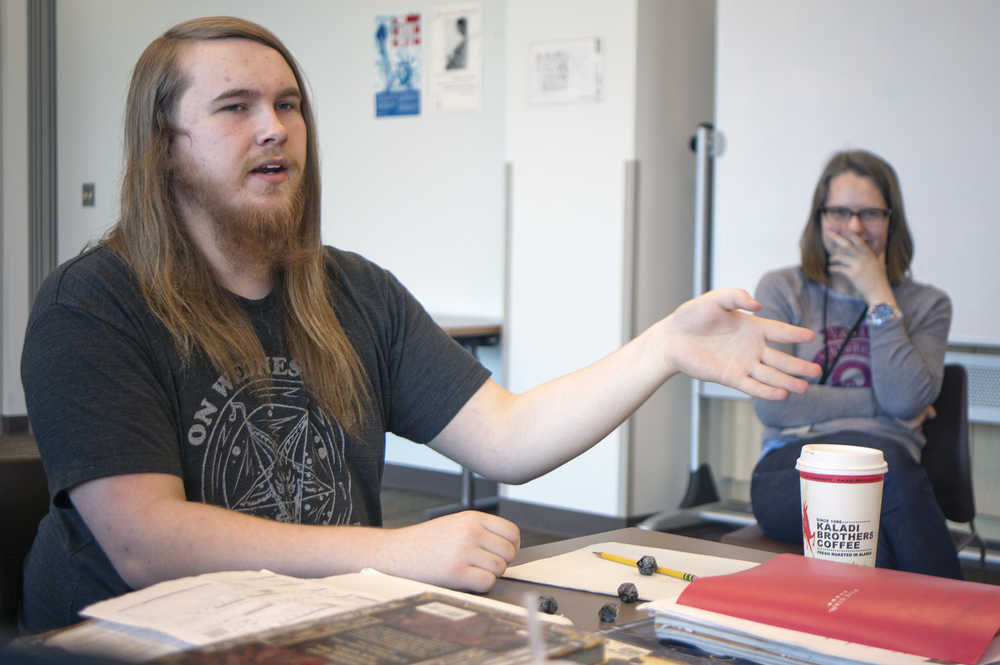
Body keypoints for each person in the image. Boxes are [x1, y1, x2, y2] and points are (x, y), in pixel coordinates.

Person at [18, 16, 820, 633]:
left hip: (315, 628)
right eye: (236, 107)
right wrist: (395, 552)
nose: (275, 127)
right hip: (133, 640)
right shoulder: (91, 304)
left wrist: (663, 347)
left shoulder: (355, 291)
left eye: (289, 104)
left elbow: (507, 436)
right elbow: (146, 542)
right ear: (164, 147)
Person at [749, 149, 961, 579]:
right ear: (819, 218)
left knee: (874, 527)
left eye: (870, 214)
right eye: (840, 212)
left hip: (888, 471)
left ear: (892, 221)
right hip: (793, 471)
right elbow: (774, 404)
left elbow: (904, 399)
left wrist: (878, 294)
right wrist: (880, 405)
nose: (854, 228)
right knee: (883, 483)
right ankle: (963, 614)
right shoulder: (782, 289)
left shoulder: (928, 304)